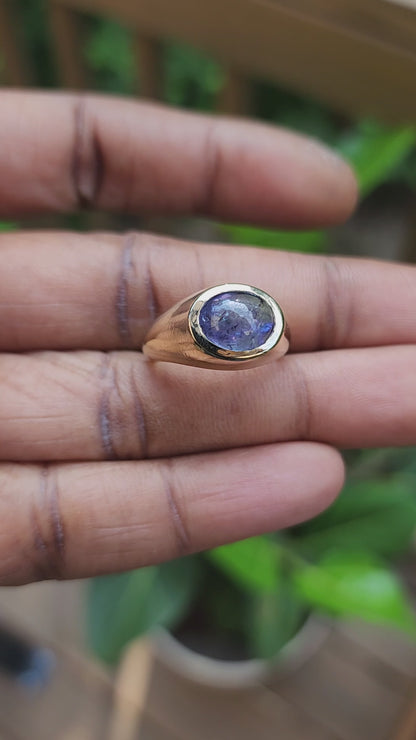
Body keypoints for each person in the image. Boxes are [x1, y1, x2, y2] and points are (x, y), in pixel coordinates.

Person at [0, 90, 414, 586]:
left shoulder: (257, 332)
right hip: (181, 341)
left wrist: (266, 345)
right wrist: (158, 346)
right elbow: (161, 343)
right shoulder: (175, 338)